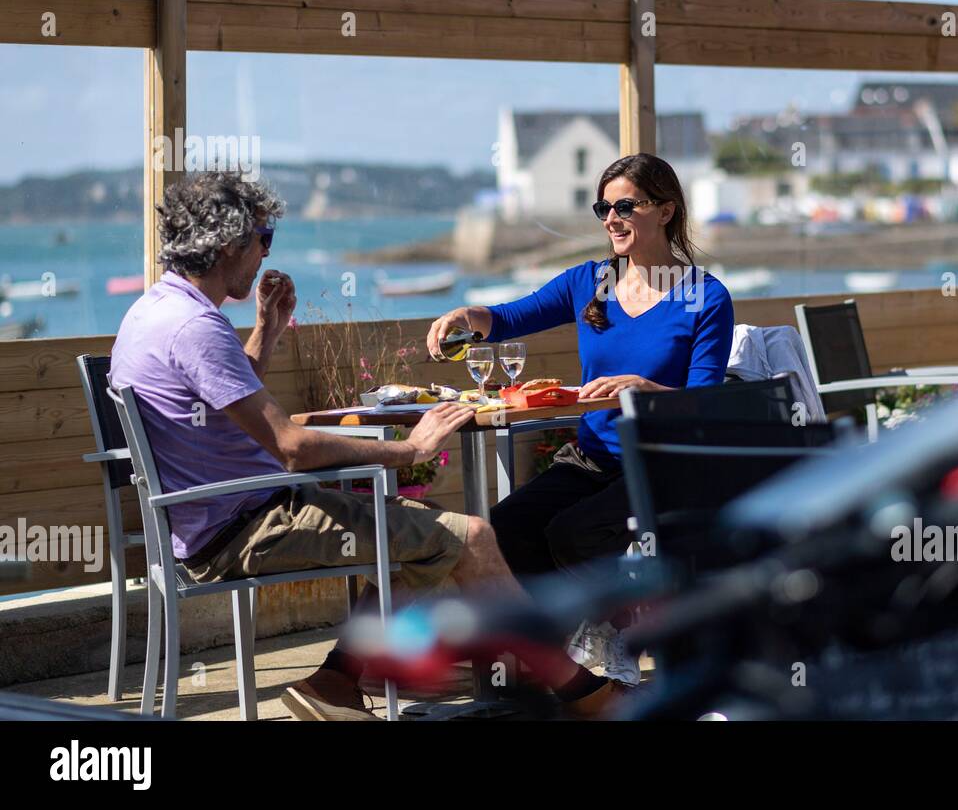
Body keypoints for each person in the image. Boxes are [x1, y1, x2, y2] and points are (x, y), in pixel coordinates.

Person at [111, 172, 623, 720]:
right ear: (231, 243)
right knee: (470, 535)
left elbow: (219, 404)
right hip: (245, 526)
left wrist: (265, 332)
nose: (264, 254)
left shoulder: (154, 312)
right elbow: (289, 447)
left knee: (419, 529)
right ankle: (586, 695)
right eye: (264, 239)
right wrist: (410, 449)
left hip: (213, 518)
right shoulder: (197, 327)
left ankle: (336, 679)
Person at [426, 154, 735, 685]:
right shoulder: (586, 283)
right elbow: (507, 317)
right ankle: (548, 647)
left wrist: (645, 389)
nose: (611, 219)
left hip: (664, 462)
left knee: (575, 532)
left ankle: (618, 622)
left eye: (625, 206)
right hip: (592, 458)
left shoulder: (705, 296)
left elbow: (704, 400)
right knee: (505, 529)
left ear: (665, 211)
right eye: (603, 208)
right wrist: (464, 318)